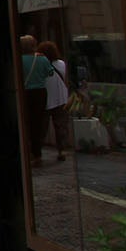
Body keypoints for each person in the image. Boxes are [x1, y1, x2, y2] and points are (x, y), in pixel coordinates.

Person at [38, 41, 74, 163]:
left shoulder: (40, 64)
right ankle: (61, 150)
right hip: (60, 98)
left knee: (42, 126)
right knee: (61, 126)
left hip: (45, 98)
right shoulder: (61, 64)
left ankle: (38, 151)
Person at [20, 35, 53, 167]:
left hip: (24, 93)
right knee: (37, 123)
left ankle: (26, 151)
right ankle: (37, 153)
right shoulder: (42, 58)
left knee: (24, 122)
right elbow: (50, 73)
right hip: (39, 93)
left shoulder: (19, 59)